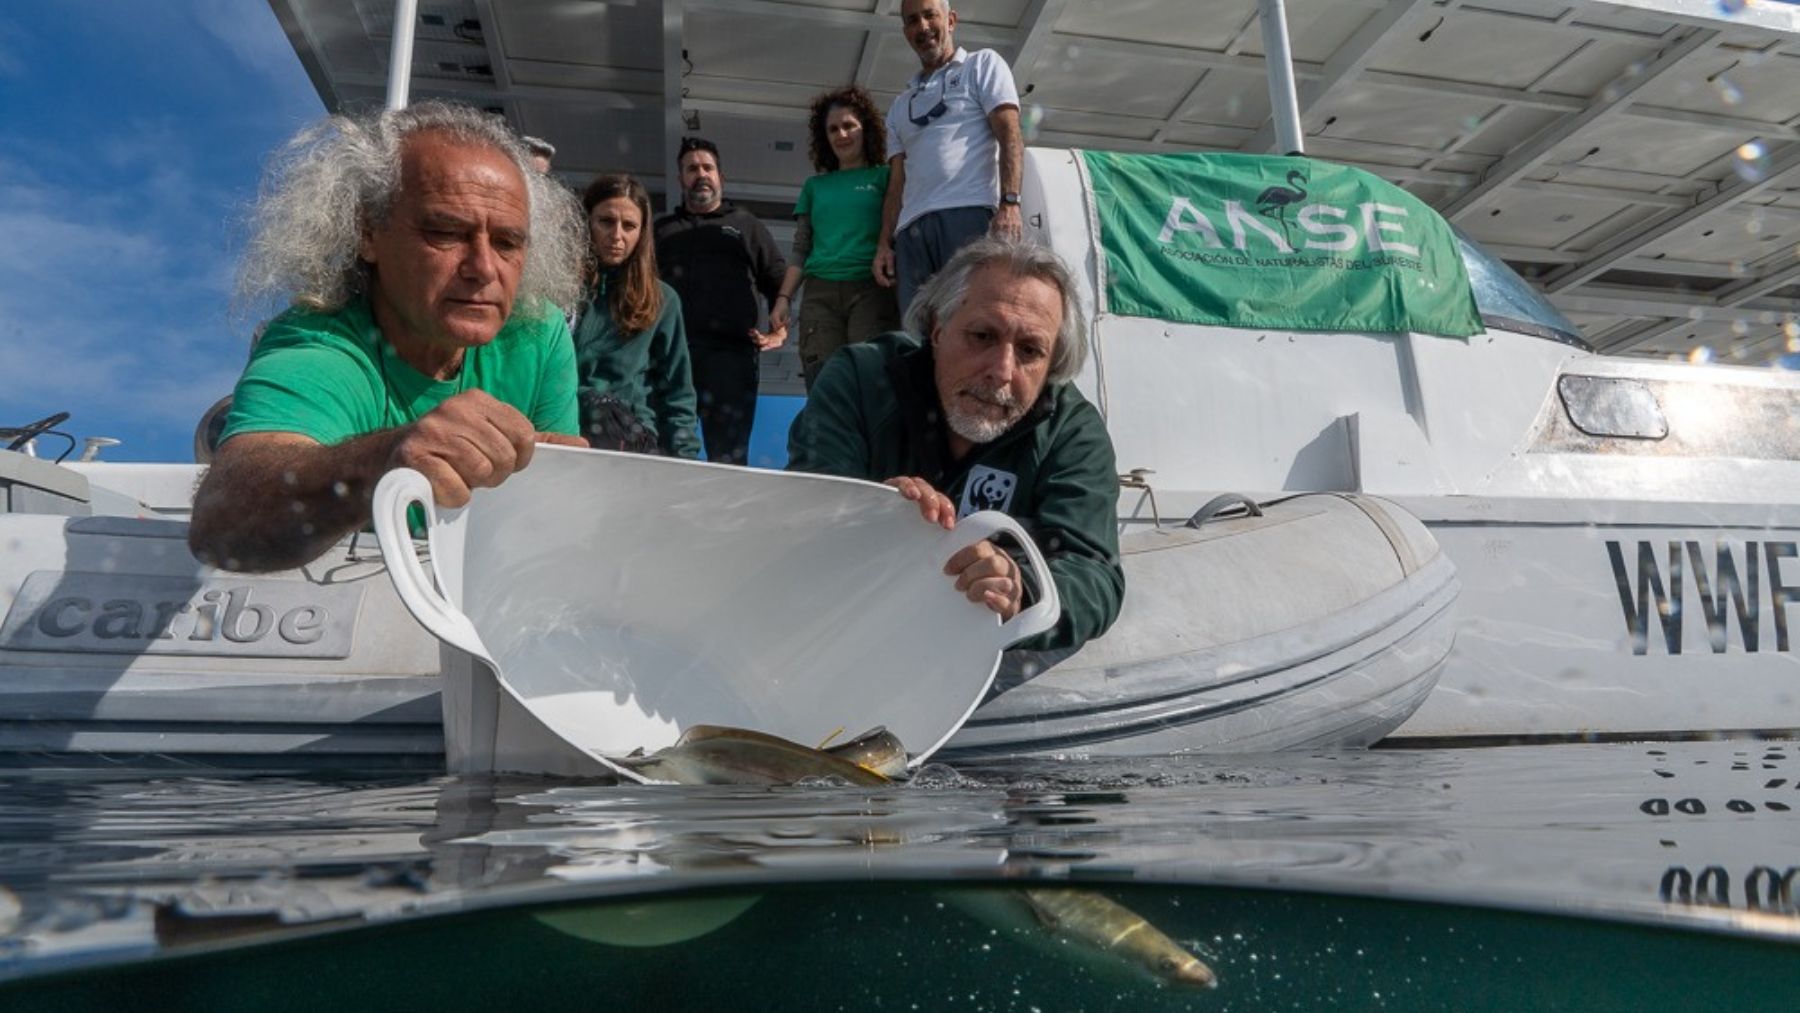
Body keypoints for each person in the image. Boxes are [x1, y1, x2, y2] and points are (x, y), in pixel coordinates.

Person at [188, 101, 590, 573]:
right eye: (445, 232)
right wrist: (386, 460)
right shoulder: (318, 345)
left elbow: (552, 525)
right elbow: (222, 520)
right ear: (367, 234)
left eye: (507, 242)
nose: (484, 268)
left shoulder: (539, 333)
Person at [787, 237, 1122, 655]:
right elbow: (806, 511)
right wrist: (872, 512)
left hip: (988, 662)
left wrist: (1021, 589)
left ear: (1052, 365)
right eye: (982, 336)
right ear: (937, 329)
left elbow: (1095, 574)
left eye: (1030, 350)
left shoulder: (1072, 431)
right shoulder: (860, 381)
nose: (1002, 371)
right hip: (846, 640)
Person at [873, 0, 1025, 316]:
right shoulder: (900, 106)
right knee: (917, 328)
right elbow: (896, 183)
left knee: (970, 318)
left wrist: (1010, 203)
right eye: (912, 20)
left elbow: (1010, 134)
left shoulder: (982, 65)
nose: (923, 26)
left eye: (930, 15)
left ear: (951, 20)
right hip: (911, 231)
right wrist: (885, 243)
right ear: (905, 32)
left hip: (968, 214)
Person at [653, 137, 787, 466]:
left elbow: (777, 278)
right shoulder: (661, 231)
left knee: (728, 458)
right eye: (692, 169)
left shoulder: (745, 224)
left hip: (731, 358)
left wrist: (780, 330)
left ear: (720, 178)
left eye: (707, 168)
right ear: (681, 179)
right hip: (671, 358)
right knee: (664, 454)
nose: (701, 174)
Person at [769, 86, 901, 390]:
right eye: (833, 129)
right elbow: (801, 249)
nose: (841, 134)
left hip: (870, 290)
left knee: (868, 380)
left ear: (865, 129)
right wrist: (783, 299)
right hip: (820, 295)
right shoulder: (814, 186)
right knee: (824, 384)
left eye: (849, 125)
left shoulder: (885, 177)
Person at [573, 173, 701, 457]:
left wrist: (686, 461)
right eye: (606, 221)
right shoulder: (559, 289)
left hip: (630, 441)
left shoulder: (663, 299)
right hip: (562, 431)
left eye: (629, 225)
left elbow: (678, 391)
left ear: (642, 233)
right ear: (587, 222)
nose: (617, 235)